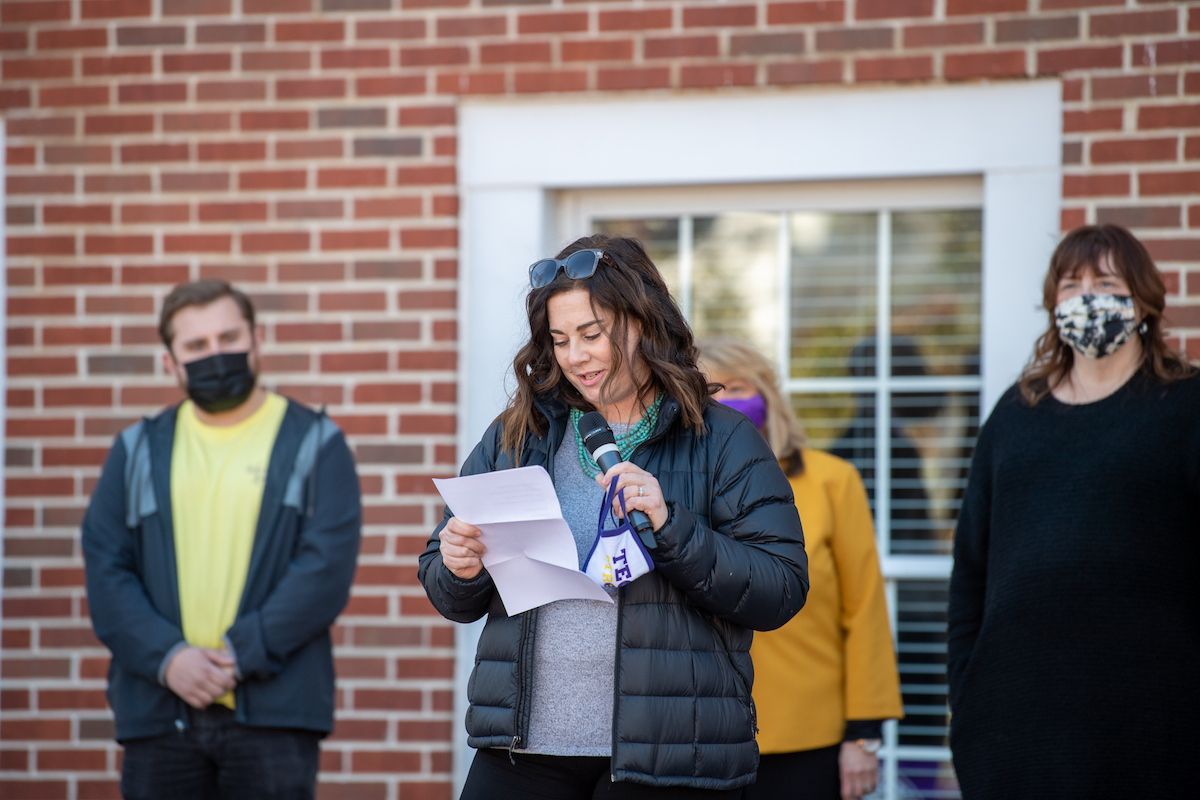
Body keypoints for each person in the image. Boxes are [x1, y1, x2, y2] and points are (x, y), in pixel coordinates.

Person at [418, 235, 809, 798]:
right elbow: (447, 587)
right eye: (559, 340)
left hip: (668, 755)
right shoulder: (518, 433)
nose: (574, 357)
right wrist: (456, 565)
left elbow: (781, 588)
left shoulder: (723, 440)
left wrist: (673, 527)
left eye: (591, 335)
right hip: (522, 750)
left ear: (643, 324)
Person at [81, 279, 362, 800]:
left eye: (229, 337)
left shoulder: (316, 443)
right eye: (196, 346)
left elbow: (324, 571)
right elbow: (105, 568)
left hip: (275, 717)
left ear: (257, 338)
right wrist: (169, 658)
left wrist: (238, 654)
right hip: (160, 714)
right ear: (170, 361)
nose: (216, 355)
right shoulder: (136, 449)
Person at [947, 225, 1200, 799]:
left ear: (1142, 302)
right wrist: (970, 701)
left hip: (1158, 733)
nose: (1087, 297)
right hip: (1015, 733)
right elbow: (971, 574)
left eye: (1106, 282)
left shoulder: (1187, 408)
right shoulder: (1014, 415)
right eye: (1071, 283)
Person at [697, 337, 903, 800]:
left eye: (738, 386)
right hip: (700, 735)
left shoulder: (834, 482)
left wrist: (863, 735)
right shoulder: (671, 491)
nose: (724, 401)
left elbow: (865, 611)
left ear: (769, 394)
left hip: (808, 737)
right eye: (709, 391)